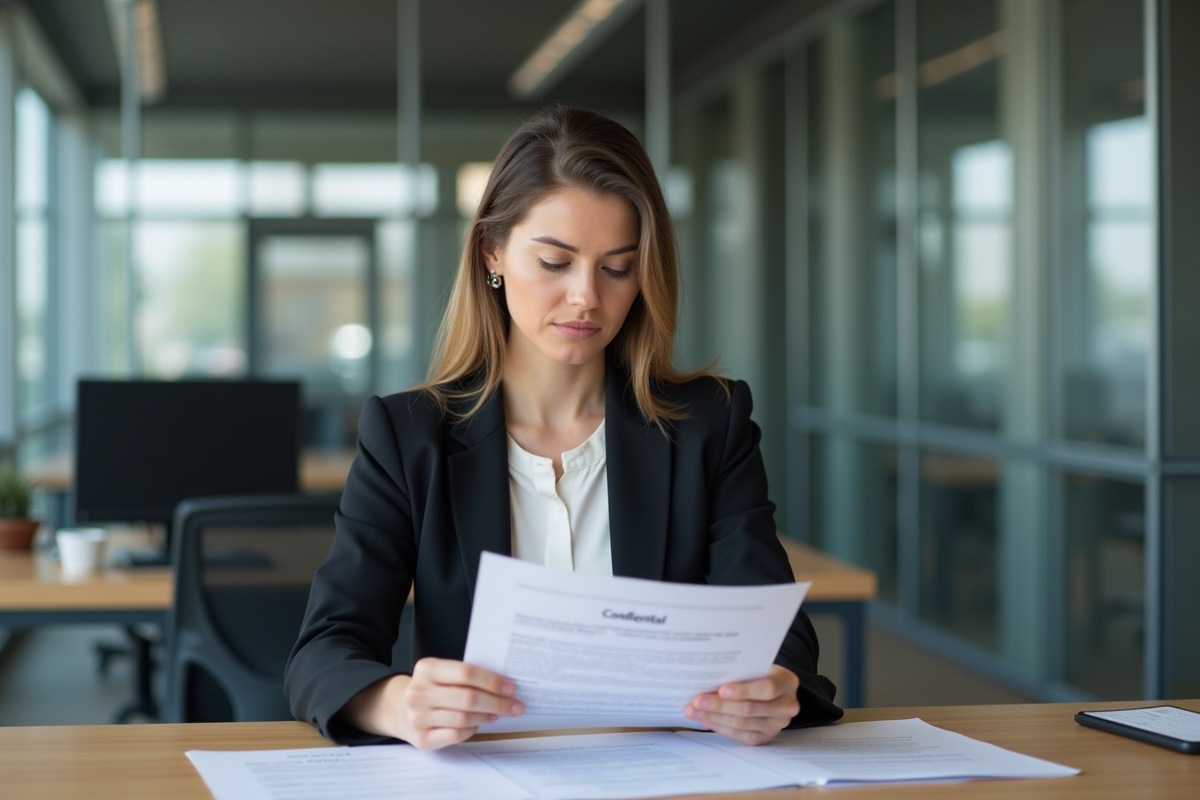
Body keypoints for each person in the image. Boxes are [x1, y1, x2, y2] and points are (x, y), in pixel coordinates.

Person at [285, 106, 843, 751]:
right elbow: (324, 651)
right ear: (492, 252)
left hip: (671, 779)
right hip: (486, 781)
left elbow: (779, 631)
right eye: (555, 262)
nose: (586, 297)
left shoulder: (707, 425)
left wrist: (776, 686)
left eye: (617, 267)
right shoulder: (410, 436)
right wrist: (398, 704)